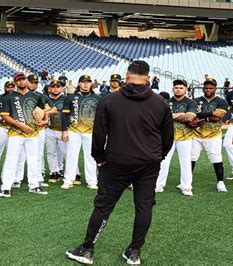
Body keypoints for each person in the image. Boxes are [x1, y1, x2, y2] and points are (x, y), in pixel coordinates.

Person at [66, 61, 173, 265]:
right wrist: (157, 156)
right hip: (148, 163)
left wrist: (99, 158)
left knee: (103, 206)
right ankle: (134, 252)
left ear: (126, 75)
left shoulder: (110, 99)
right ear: (148, 77)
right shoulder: (160, 103)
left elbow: (99, 134)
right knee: (144, 207)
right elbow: (168, 137)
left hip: (116, 161)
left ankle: (87, 249)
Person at [0, 73, 49, 197]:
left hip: (32, 133)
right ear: (15, 82)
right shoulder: (9, 97)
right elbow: (5, 116)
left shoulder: (35, 96)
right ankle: (6, 186)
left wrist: (44, 120)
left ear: (26, 81)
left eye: (23, 79)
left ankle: (34, 185)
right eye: (19, 80)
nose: (21, 82)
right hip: (16, 133)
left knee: (34, 160)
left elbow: (43, 111)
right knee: (12, 159)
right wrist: (21, 126)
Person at [155, 79, 197, 196]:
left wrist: (170, 116)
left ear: (186, 89)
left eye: (181, 87)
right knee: (163, 160)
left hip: (185, 136)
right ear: (173, 89)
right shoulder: (165, 102)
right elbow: (160, 118)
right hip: (167, 136)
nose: (178, 89)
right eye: (176, 87)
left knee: (185, 162)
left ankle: (186, 186)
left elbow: (189, 118)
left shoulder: (191, 102)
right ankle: (159, 184)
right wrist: (180, 114)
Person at [61, 75, 101, 189]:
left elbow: (101, 117)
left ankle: (92, 181)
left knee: (90, 157)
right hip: (73, 131)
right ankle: (68, 180)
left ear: (91, 84)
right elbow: (64, 115)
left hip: (90, 131)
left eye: (88, 82)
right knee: (71, 156)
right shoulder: (70, 97)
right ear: (79, 84)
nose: (85, 84)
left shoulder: (98, 98)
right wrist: (64, 131)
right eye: (83, 82)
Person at [191, 78, 229, 192]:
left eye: (211, 88)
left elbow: (220, 116)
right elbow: (194, 115)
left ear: (215, 88)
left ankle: (220, 182)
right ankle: (186, 181)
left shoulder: (221, 101)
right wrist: (210, 114)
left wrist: (203, 117)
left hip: (214, 134)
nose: (208, 89)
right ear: (203, 88)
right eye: (206, 87)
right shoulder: (195, 100)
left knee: (216, 158)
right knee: (191, 158)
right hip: (196, 133)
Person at [45, 80, 67, 183]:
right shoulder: (45, 99)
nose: (55, 88)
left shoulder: (66, 99)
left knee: (67, 153)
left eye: (57, 87)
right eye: (53, 86)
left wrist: (66, 130)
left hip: (63, 130)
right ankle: (54, 172)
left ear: (61, 88)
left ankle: (75, 173)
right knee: (51, 152)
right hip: (49, 129)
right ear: (49, 88)